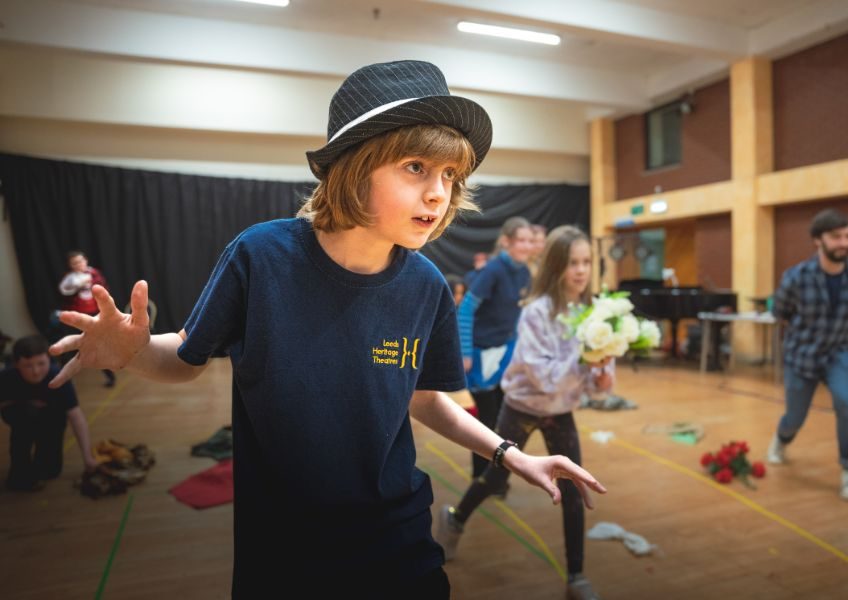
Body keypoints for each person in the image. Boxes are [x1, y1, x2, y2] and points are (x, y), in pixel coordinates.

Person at [48, 60, 605, 599]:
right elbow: (186, 358)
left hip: (399, 535)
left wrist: (511, 454)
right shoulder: (261, 256)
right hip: (286, 544)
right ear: (355, 165)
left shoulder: (427, 285)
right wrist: (134, 351)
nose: (438, 193)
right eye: (416, 167)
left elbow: (426, 401)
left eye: (450, 175)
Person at [436, 226, 613, 600]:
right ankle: (454, 519)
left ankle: (576, 576)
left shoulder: (593, 311)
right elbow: (546, 378)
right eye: (571, 263)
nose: (580, 271)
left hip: (560, 409)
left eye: (585, 262)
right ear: (554, 266)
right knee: (494, 479)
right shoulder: (535, 312)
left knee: (574, 486)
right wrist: (586, 357)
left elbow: (602, 387)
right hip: (522, 405)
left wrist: (603, 364)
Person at [767, 208, 848, 502]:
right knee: (794, 418)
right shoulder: (796, 277)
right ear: (818, 240)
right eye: (836, 237)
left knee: (847, 405)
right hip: (801, 356)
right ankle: (781, 439)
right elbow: (780, 312)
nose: (844, 243)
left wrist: (836, 336)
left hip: (837, 354)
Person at [456, 216, 535, 485]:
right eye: (521, 240)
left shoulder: (525, 272)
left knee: (506, 418)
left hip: (505, 353)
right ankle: (481, 477)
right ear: (506, 242)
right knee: (486, 422)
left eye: (530, 241)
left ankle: (498, 474)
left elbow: (517, 315)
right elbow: (465, 310)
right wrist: (465, 352)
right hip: (481, 355)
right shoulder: (492, 270)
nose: (526, 246)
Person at [1, 335, 96, 491]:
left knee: (50, 471)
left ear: (49, 360)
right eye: (28, 366)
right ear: (16, 364)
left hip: (51, 417)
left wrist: (88, 458)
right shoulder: (6, 377)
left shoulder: (58, 376)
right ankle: (20, 467)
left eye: (41, 363)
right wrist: (25, 404)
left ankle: (43, 462)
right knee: (26, 417)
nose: (36, 371)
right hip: (20, 415)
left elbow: (76, 416)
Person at [58, 250, 116, 387]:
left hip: (96, 313)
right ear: (71, 265)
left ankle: (110, 375)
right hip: (79, 317)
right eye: (74, 263)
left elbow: (103, 289)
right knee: (73, 344)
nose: (78, 265)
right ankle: (64, 376)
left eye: (80, 261)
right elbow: (64, 293)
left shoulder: (94, 273)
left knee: (99, 344)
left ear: (86, 260)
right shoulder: (69, 278)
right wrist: (74, 287)